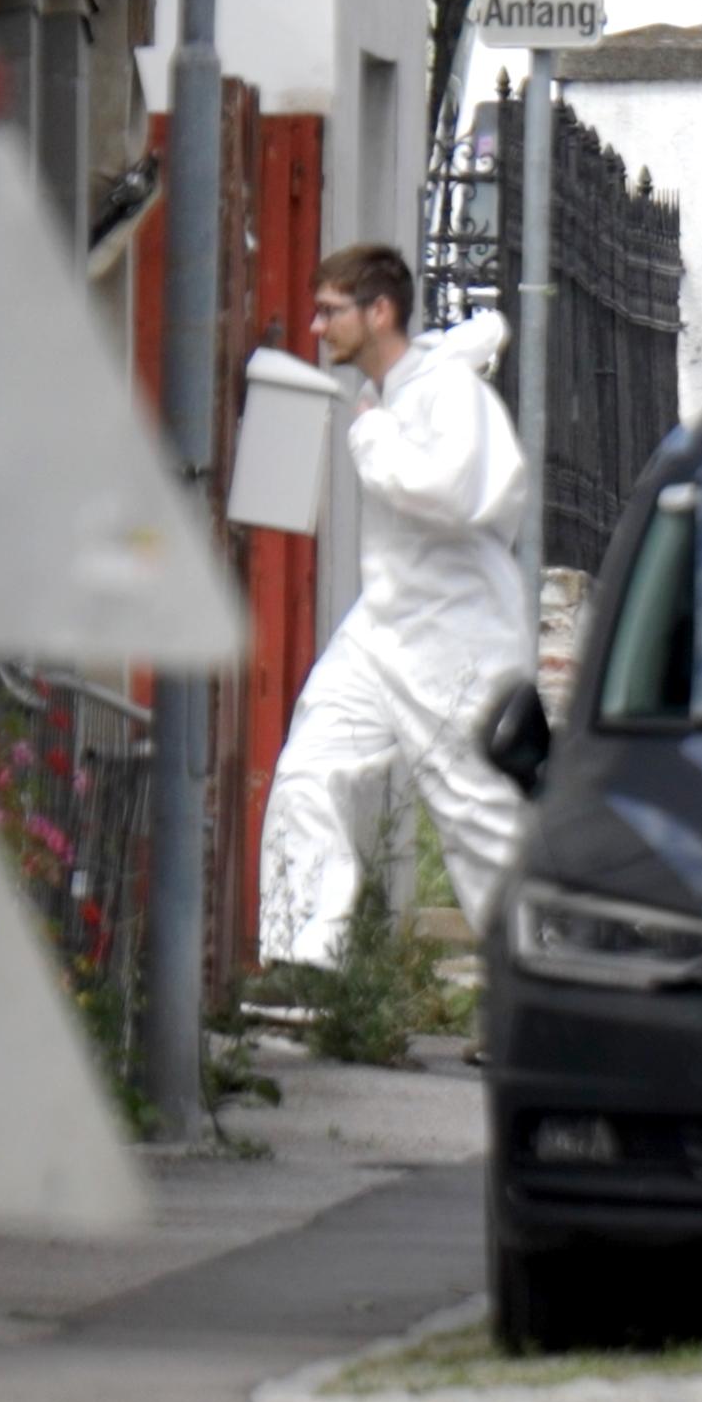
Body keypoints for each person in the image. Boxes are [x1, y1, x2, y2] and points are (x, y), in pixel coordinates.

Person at [257, 245, 534, 968]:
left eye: (330, 311)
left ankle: (548, 994)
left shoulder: (444, 394)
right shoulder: (403, 392)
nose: (317, 327)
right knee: (307, 770)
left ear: (378, 311)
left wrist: (372, 439)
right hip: (385, 629)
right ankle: (307, 957)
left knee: (482, 825)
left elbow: (452, 493)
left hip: (456, 638)